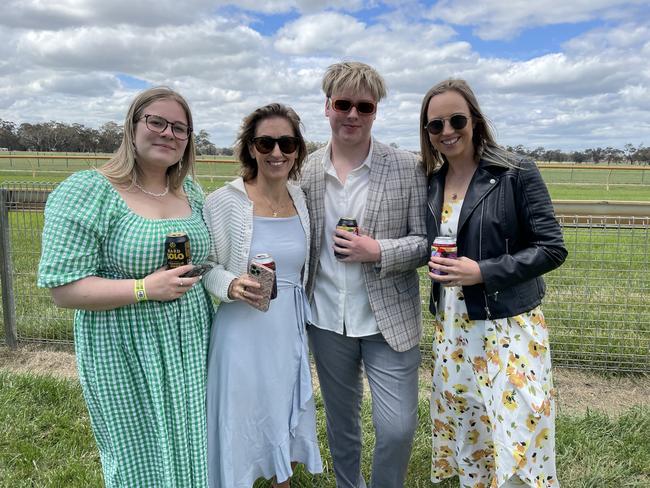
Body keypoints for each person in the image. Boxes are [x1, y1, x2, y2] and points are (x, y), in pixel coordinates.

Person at [37, 87, 214, 487]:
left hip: (191, 343)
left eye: (180, 128)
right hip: (124, 347)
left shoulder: (192, 193)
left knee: (193, 447)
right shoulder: (90, 190)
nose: (168, 133)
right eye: (157, 121)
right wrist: (143, 288)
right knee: (139, 458)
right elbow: (63, 290)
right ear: (133, 126)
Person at [420, 79, 568, 488]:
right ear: (427, 132)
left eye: (456, 119)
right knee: (473, 434)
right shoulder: (432, 184)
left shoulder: (515, 172)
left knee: (520, 432)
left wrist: (483, 271)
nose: (447, 131)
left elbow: (552, 248)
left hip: (508, 327)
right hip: (452, 329)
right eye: (436, 125)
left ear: (475, 120)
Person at [300, 61, 429, 488]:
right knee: (342, 424)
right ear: (327, 106)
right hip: (325, 320)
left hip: (387, 320)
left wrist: (379, 251)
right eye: (343, 104)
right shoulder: (305, 169)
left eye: (364, 106)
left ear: (376, 111)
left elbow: (424, 242)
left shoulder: (407, 167)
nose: (352, 114)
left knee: (396, 428)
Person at [203, 103, 323, 488]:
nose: (276, 152)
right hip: (241, 328)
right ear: (251, 148)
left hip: (287, 324)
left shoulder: (301, 199)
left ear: (298, 149)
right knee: (241, 412)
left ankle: (280, 477)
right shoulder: (223, 202)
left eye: (286, 143)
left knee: (279, 405)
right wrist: (230, 284)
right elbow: (204, 267)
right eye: (265, 142)